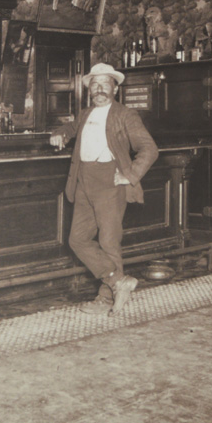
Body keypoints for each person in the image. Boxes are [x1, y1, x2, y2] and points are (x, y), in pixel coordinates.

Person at [49, 63, 158, 315]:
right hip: (83, 181)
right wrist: (60, 134)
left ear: (115, 88)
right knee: (77, 239)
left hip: (109, 182)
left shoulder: (125, 114)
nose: (99, 89)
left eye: (104, 84)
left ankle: (106, 299)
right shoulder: (85, 114)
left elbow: (149, 149)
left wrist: (129, 175)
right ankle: (118, 282)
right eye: (94, 85)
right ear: (89, 89)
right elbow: (71, 128)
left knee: (109, 241)